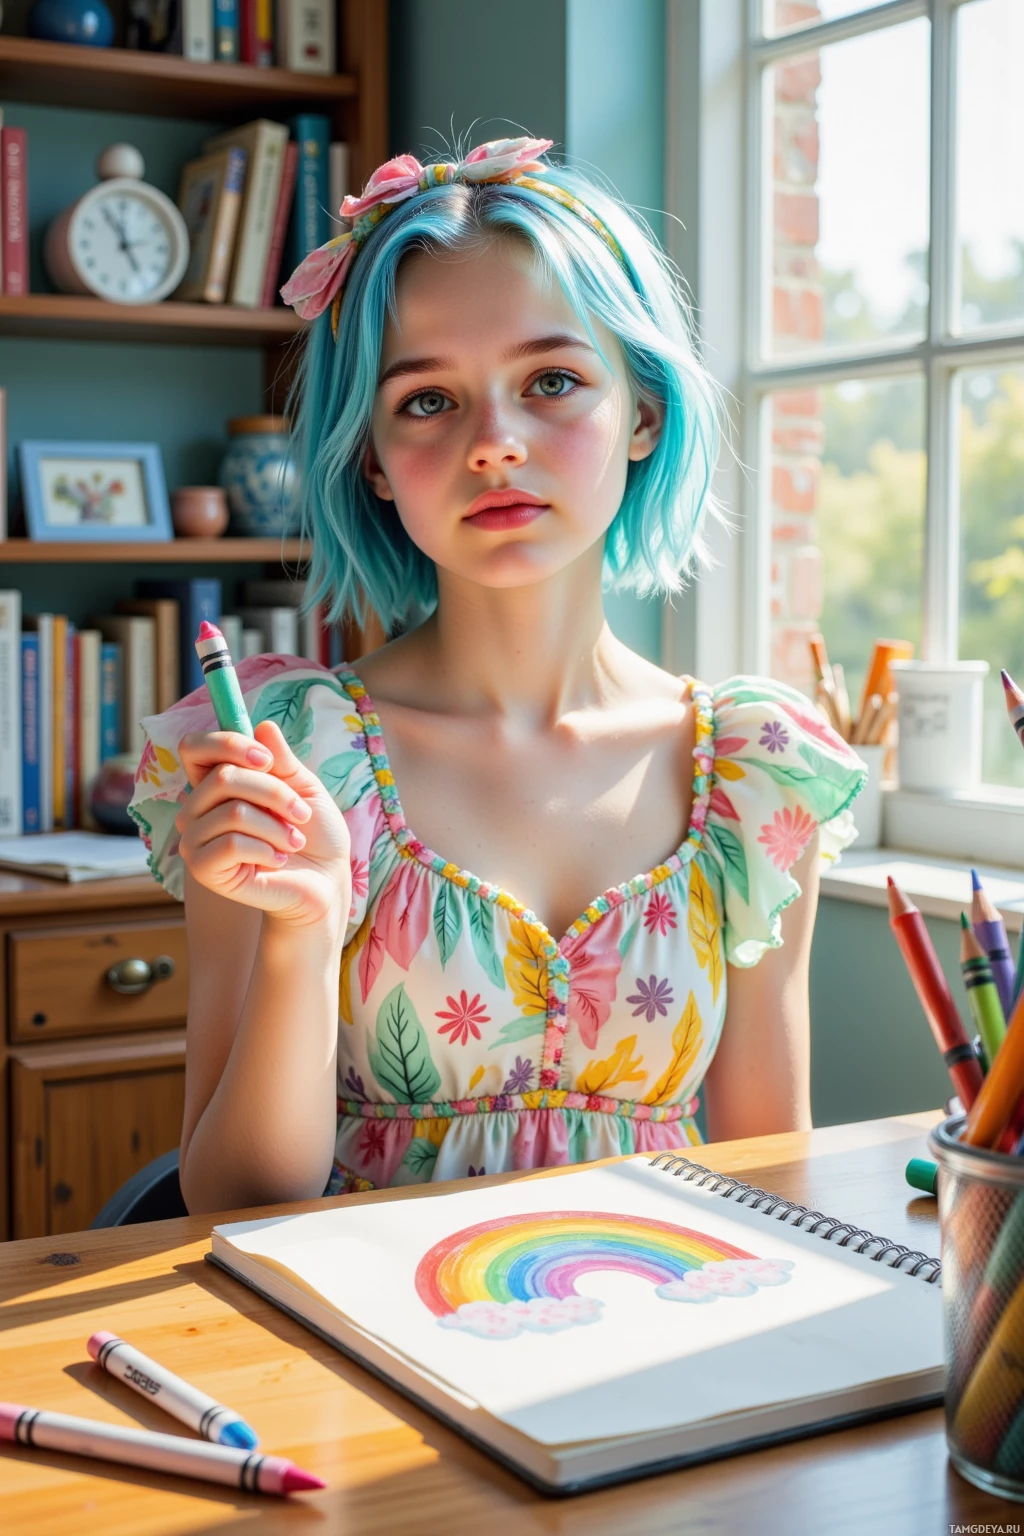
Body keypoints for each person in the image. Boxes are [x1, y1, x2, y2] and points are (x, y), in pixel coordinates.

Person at [129, 136, 866, 1216]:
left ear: (644, 414)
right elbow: (233, 1201)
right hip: (356, 1364)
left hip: (660, 1344)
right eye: (429, 400)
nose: (495, 443)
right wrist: (301, 927)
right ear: (371, 457)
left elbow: (773, 1178)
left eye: (553, 382)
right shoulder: (290, 757)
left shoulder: (756, 776)